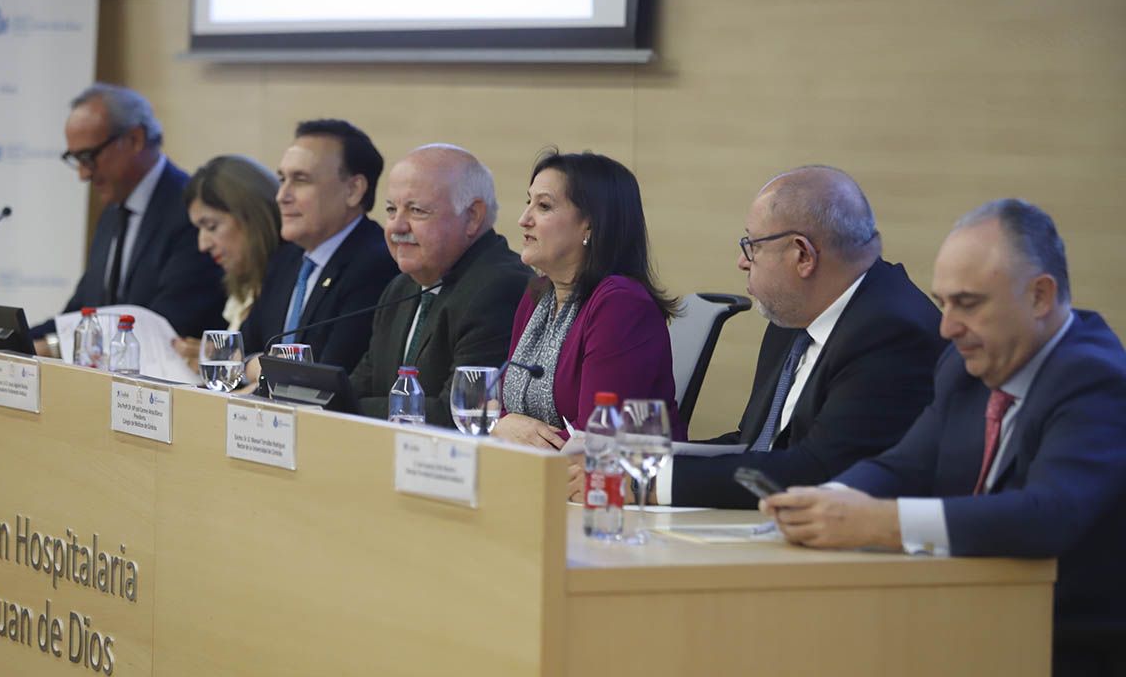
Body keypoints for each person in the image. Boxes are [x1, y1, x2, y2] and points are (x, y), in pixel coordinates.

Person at [763, 199, 1126, 677]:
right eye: (943, 303)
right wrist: (828, 501)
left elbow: (1048, 515)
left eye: (969, 304)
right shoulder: (965, 362)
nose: (948, 326)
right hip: (964, 622)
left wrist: (881, 523)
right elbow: (903, 464)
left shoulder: (1094, 377)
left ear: (1041, 296)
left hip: (1063, 655)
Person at [619, 166, 946, 508]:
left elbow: (821, 471)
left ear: (803, 255)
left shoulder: (891, 332)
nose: (742, 262)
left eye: (752, 246)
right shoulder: (792, 316)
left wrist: (648, 482)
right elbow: (755, 445)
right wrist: (639, 462)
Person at [493, 150, 684, 450]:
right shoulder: (537, 296)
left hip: (621, 488)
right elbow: (506, 417)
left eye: (543, 206)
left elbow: (598, 443)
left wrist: (507, 428)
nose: (523, 219)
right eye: (527, 202)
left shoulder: (621, 305)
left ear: (590, 224)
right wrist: (503, 425)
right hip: (543, 478)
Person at [31, 83, 225, 354]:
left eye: (88, 157)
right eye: (75, 159)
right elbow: (82, 310)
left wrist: (53, 347)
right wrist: (16, 340)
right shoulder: (114, 209)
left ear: (134, 140)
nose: (83, 175)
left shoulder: (191, 211)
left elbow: (167, 327)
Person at [349, 144, 532, 425]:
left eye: (417, 211)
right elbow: (361, 385)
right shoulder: (401, 287)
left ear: (472, 217)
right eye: (390, 210)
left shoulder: (498, 287)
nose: (396, 227)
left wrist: (345, 407)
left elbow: (458, 415)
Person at [239, 120, 399, 379]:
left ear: (353, 190)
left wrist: (260, 366)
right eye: (282, 179)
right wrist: (263, 366)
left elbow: (326, 376)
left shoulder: (376, 265)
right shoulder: (286, 258)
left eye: (300, 180)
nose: (282, 195)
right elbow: (241, 351)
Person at [171, 155, 282, 370]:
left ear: (252, 217)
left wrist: (226, 361)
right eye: (199, 229)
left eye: (211, 226)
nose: (203, 245)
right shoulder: (243, 281)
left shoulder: (284, 281)